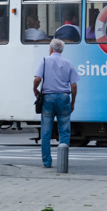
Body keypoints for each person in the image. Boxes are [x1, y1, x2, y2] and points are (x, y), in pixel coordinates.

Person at [33, 39, 79, 168]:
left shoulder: (44, 61)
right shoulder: (68, 63)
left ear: (51, 49)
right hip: (64, 98)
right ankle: (62, 161)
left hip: (48, 98)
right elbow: (74, 86)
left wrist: (35, 89)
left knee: (46, 132)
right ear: (61, 50)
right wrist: (73, 102)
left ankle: (47, 162)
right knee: (64, 131)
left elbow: (37, 79)